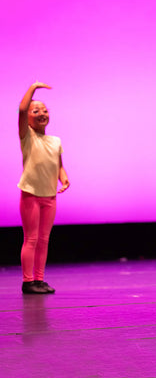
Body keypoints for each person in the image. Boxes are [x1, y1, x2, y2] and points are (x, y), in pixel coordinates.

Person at [18, 82, 70, 294]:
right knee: (31, 238)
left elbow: (58, 164)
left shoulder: (55, 141)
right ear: (29, 117)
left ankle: (39, 279)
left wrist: (64, 178)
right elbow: (21, 109)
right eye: (36, 110)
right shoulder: (27, 136)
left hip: (49, 196)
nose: (41, 113)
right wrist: (33, 88)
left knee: (44, 239)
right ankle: (27, 281)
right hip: (31, 194)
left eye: (45, 110)